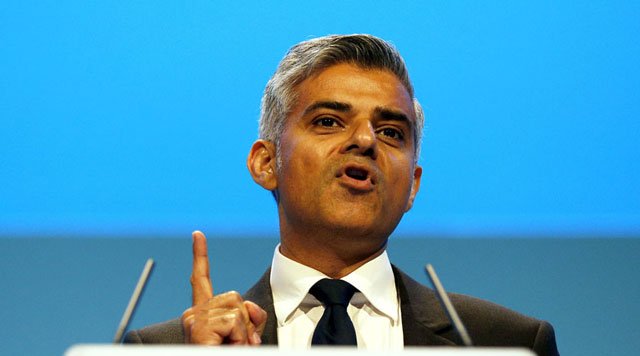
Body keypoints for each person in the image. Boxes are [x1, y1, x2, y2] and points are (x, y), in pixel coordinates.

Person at [124, 34, 559, 355]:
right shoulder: (164, 348)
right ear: (264, 163)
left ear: (413, 186)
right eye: (329, 121)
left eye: (391, 132)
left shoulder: (504, 342)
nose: (366, 141)